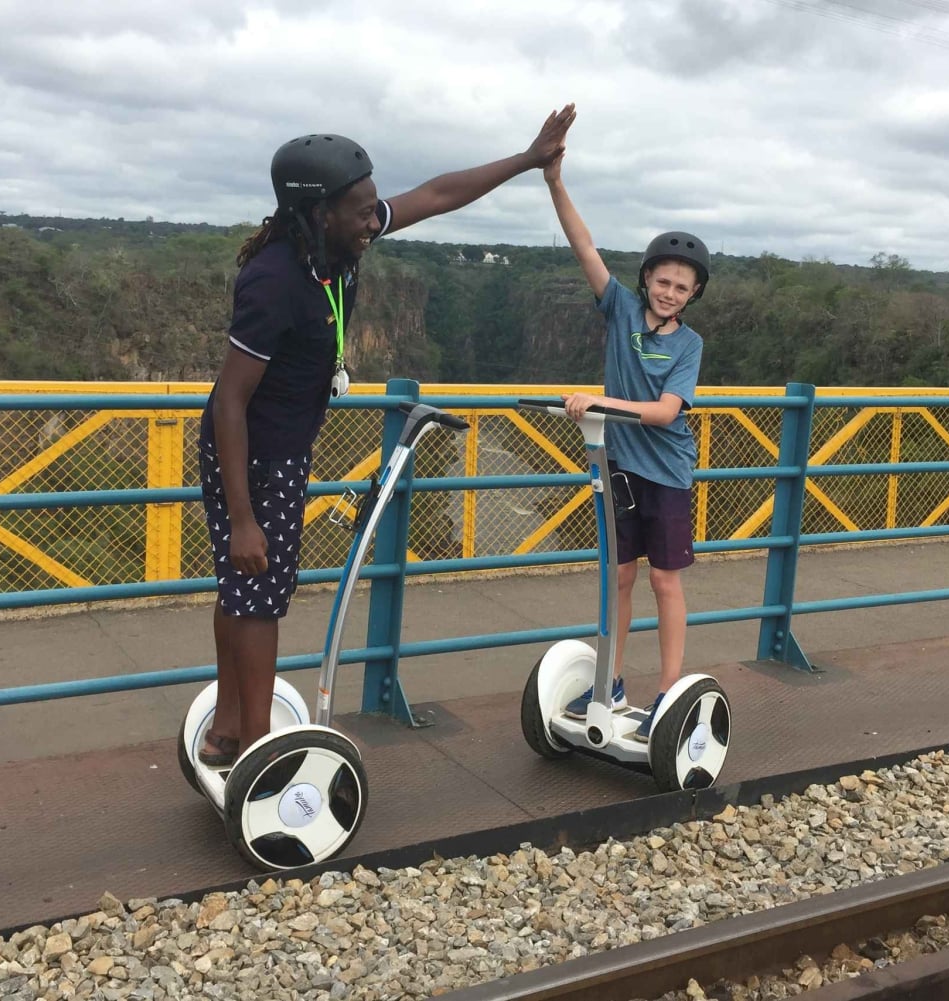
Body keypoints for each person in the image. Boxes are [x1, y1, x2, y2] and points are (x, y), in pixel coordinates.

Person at [197, 106, 577, 766]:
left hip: (277, 448)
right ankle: (258, 749)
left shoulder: (333, 247)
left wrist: (528, 157)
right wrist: (242, 516)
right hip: (254, 458)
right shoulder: (276, 280)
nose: (375, 220)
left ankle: (230, 729)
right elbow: (229, 400)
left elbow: (435, 194)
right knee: (258, 600)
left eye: (376, 207)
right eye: (362, 210)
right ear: (319, 213)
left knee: (244, 592)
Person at [543, 144, 709, 741]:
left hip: (665, 473)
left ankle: (668, 691)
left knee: (664, 580)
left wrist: (601, 403)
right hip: (618, 467)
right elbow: (584, 247)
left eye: (681, 287)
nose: (669, 292)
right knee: (618, 577)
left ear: (692, 295)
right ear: (646, 279)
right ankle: (610, 679)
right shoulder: (618, 309)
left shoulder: (687, 346)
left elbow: (666, 414)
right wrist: (554, 180)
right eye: (663, 281)